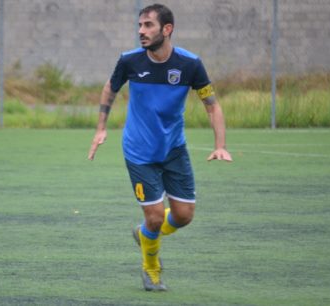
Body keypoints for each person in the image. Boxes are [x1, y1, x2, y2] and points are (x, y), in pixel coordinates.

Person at [87, 3, 233, 291]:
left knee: (183, 216)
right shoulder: (129, 61)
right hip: (139, 153)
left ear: (167, 29)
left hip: (174, 149)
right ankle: (151, 268)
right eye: (140, 25)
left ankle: (144, 234)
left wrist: (221, 145)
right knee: (154, 217)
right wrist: (101, 127)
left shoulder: (190, 64)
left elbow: (212, 106)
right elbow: (109, 88)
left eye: (148, 25)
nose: (141, 31)